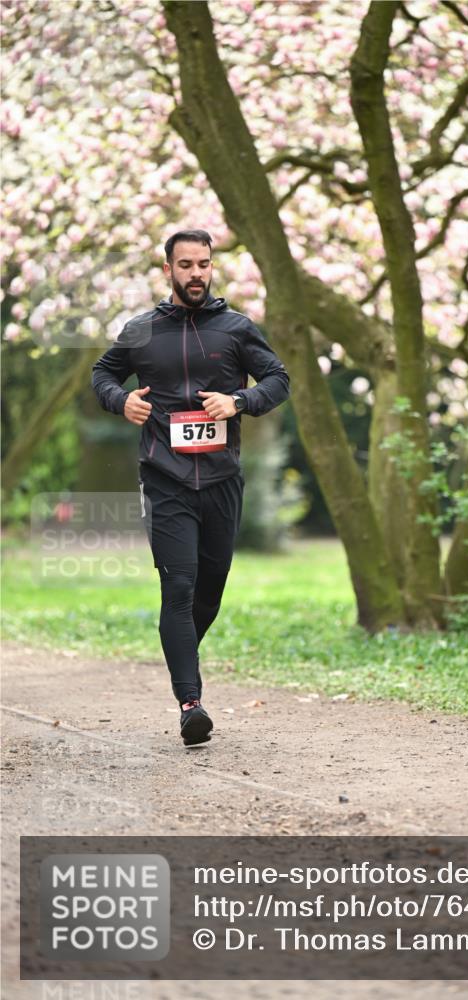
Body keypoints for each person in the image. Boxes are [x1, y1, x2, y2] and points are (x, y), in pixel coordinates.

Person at [91, 229, 290, 747]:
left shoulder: (237, 329)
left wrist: (239, 402)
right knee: (177, 587)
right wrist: (122, 401)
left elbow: (279, 379)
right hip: (166, 480)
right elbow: (102, 376)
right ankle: (191, 705)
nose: (196, 273)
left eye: (203, 263)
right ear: (168, 270)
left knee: (209, 591)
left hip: (222, 480)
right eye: (186, 264)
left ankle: (179, 652)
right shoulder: (141, 331)